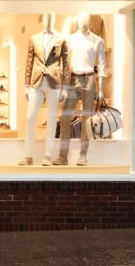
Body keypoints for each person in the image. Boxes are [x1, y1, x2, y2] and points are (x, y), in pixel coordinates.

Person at [55, 12, 107, 166]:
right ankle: (62, 156)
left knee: (87, 119)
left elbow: (102, 65)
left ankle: (83, 156)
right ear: (77, 21)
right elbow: (64, 64)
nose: (83, 22)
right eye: (80, 20)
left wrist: (101, 89)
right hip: (72, 79)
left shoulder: (97, 40)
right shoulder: (70, 39)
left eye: (86, 20)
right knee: (65, 117)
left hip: (89, 79)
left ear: (89, 21)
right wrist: (63, 86)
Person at [19, 12, 69, 166]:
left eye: (51, 17)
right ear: (42, 20)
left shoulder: (62, 39)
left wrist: (65, 87)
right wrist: (26, 85)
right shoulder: (33, 38)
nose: (48, 20)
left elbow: (66, 65)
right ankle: (28, 156)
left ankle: (47, 156)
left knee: (52, 119)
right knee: (30, 117)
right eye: (46, 17)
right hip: (36, 81)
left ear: (54, 19)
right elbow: (29, 63)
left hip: (54, 82)